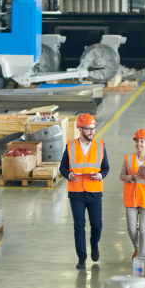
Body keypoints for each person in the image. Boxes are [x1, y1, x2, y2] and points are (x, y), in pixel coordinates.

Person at [60, 113, 110, 270]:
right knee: (79, 225)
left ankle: (94, 244)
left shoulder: (100, 146)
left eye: (93, 129)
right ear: (80, 129)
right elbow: (62, 167)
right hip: (76, 193)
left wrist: (100, 175)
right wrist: (69, 174)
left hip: (94, 192)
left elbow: (106, 167)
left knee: (97, 225)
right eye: (88, 129)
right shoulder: (71, 146)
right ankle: (81, 258)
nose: (91, 132)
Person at [119, 129, 145, 258]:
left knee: (143, 228)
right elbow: (122, 176)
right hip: (131, 198)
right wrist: (132, 177)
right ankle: (137, 247)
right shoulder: (128, 158)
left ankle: (141, 256)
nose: (139, 144)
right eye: (137, 141)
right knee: (131, 229)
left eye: (142, 141)